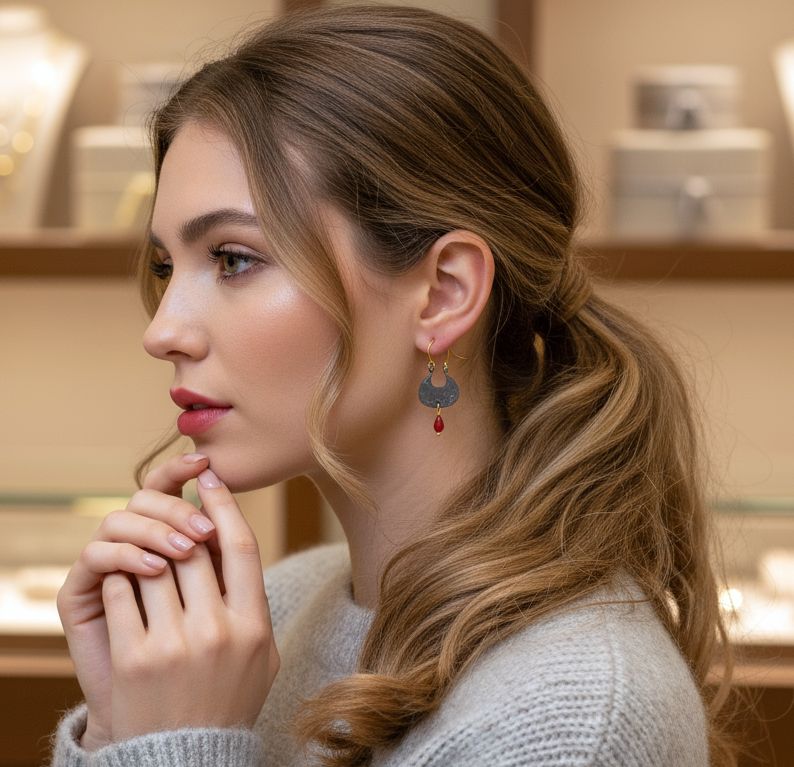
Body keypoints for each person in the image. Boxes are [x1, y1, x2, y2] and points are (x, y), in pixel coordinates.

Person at [47, 5, 739, 766]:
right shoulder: (279, 608)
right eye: (165, 266)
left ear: (443, 292)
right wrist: (123, 725)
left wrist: (171, 747)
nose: (163, 329)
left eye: (235, 258)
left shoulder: (572, 717)